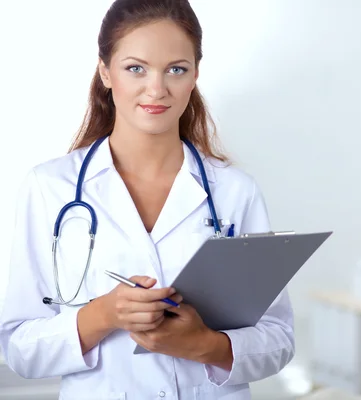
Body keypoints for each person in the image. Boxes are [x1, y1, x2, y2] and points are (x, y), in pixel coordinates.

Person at [0, 1, 294, 399]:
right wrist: (101, 316)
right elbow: (20, 349)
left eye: (176, 69)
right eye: (135, 68)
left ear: (195, 75)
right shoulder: (50, 187)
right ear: (105, 71)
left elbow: (277, 337)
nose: (157, 89)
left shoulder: (234, 190)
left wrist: (203, 345)